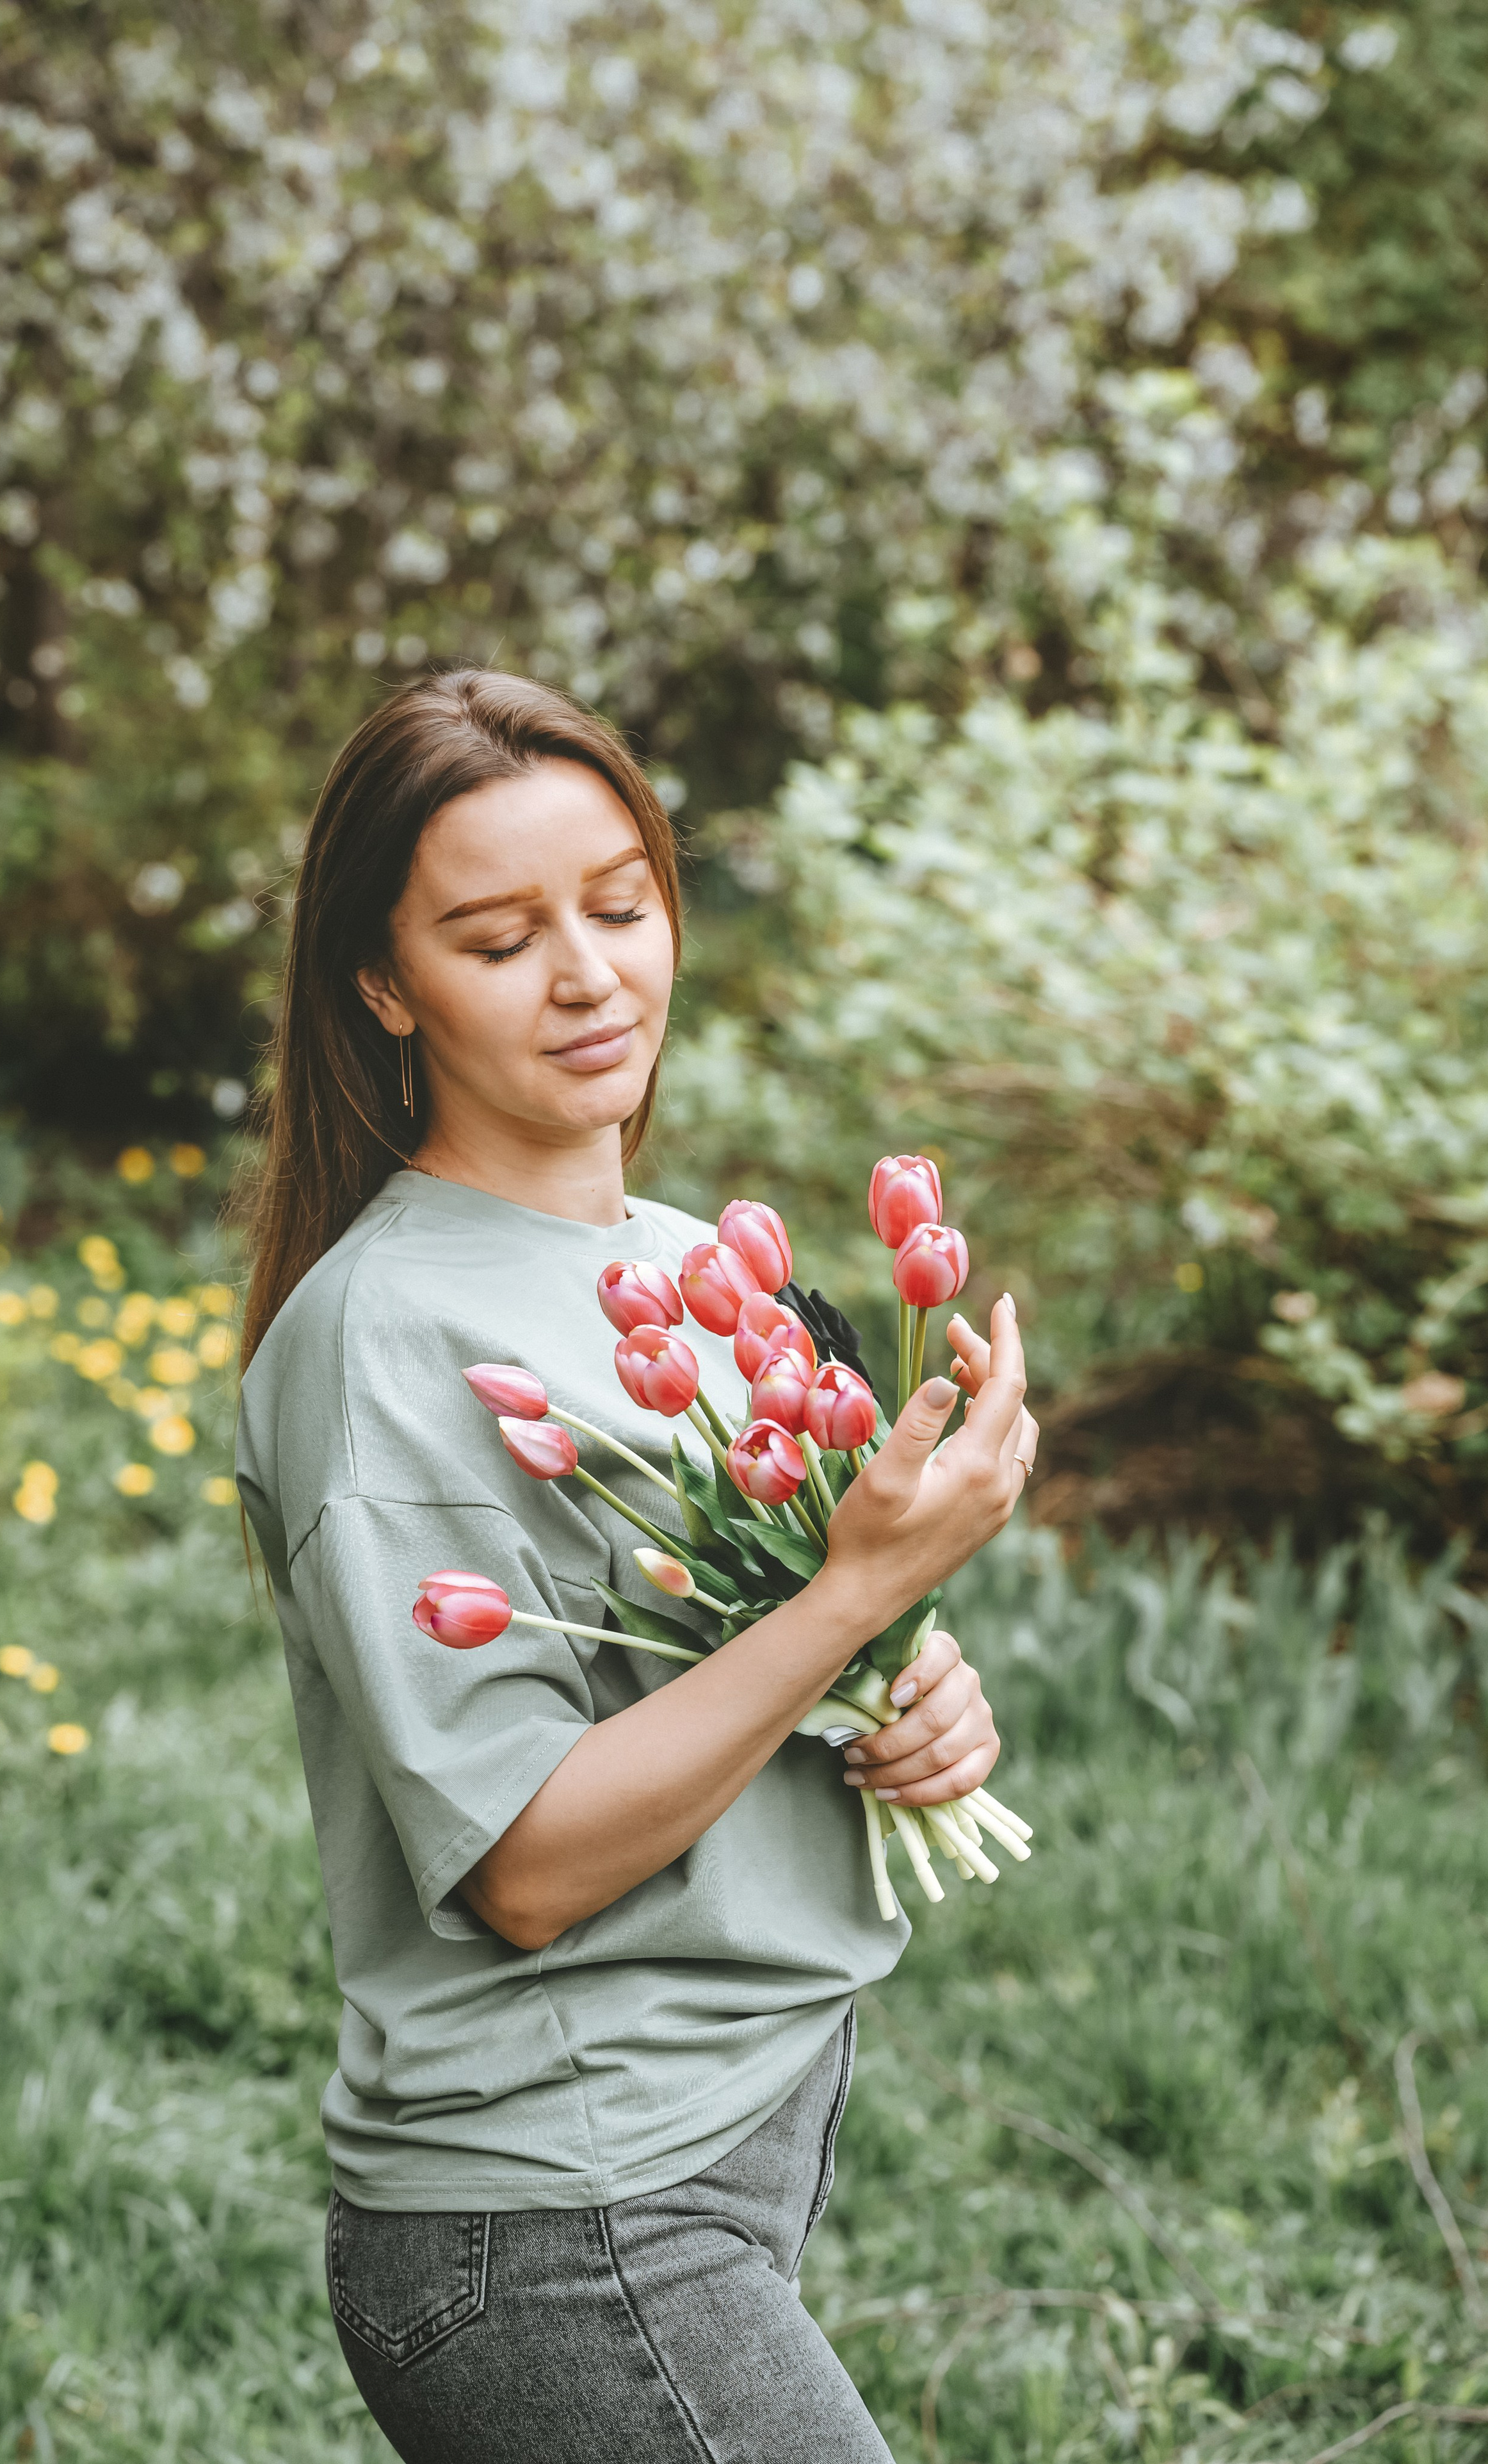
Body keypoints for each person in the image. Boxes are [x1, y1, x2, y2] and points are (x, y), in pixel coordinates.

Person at [235, 668, 1037, 2464]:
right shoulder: (383, 1343)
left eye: (618, 902)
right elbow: (522, 1865)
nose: (590, 974)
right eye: (501, 937)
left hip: (710, 2149)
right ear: (384, 985)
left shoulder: (682, 1264)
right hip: (561, 2225)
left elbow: (755, 1675)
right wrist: (845, 1597)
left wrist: (903, 1695)